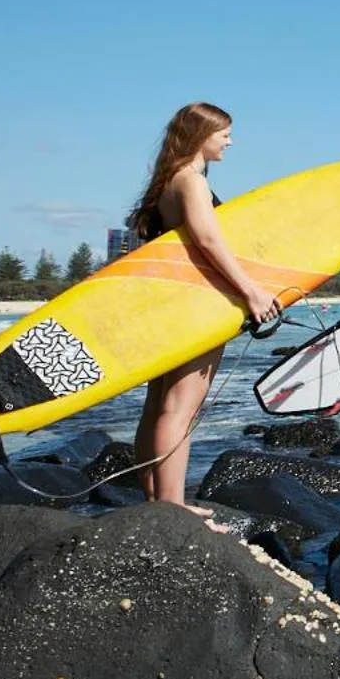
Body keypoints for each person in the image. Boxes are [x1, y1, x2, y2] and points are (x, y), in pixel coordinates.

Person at [129, 102, 283, 519]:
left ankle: (155, 500)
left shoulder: (167, 182)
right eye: (224, 134)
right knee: (181, 407)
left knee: (159, 403)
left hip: (170, 303)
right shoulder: (191, 182)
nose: (230, 142)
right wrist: (251, 292)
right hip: (196, 307)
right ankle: (173, 506)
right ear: (201, 135)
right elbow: (208, 241)